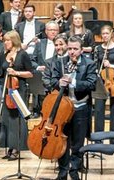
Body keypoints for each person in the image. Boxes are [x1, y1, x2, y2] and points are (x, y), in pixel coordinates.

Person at [45, 35, 98, 180]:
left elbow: (91, 84)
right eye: (70, 49)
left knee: (77, 143)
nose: (72, 52)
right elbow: (53, 80)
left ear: (81, 50)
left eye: (75, 49)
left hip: (80, 107)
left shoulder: (89, 64)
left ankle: (74, 171)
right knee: (62, 141)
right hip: (63, 109)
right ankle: (62, 172)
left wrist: (73, 81)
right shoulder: (60, 62)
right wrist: (59, 83)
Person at [1, 32, 34, 160]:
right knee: (7, 119)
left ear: (14, 40)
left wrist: (16, 72)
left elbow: (30, 73)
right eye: (4, 40)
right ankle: (10, 146)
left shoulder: (22, 55)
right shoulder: (5, 55)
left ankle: (16, 148)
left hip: (19, 90)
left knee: (17, 119)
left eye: (7, 40)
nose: (5, 42)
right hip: (7, 89)